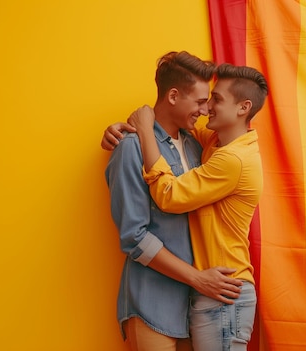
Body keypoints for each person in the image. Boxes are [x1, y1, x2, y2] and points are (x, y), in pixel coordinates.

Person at [106, 63, 268, 351]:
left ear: (243, 108)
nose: (206, 110)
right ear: (173, 96)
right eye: (203, 101)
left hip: (214, 292)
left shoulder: (216, 154)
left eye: (214, 100)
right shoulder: (206, 144)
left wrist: (143, 128)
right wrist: (131, 131)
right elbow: (134, 236)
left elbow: (170, 195)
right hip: (156, 301)